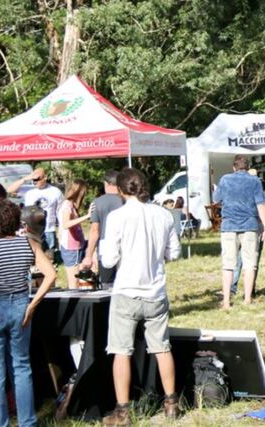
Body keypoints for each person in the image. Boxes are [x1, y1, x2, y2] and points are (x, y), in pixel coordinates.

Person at [99, 168, 181, 424]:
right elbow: (174, 253)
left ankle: (122, 411)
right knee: (162, 348)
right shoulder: (163, 214)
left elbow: (109, 259)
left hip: (126, 291)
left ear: (121, 191)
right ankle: (171, 404)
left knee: (121, 351)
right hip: (155, 290)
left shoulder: (117, 216)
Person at [0, 198, 55, 427]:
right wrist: (32, 305)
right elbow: (51, 275)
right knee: (21, 367)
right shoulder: (29, 244)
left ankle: (0, 424)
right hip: (20, 307)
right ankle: (28, 422)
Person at [214, 155, 265, 308]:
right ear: (247, 168)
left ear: (234, 167)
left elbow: (216, 199)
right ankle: (247, 299)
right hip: (250, 226)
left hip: (229, 226)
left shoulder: (225, 179)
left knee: (228, 265)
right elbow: (261, 205)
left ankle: (226, 301)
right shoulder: (255, 181)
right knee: (250, 264)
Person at [80, 170, 124, 288]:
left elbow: (95, 231)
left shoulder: (97, 202)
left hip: (105, 248)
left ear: (106, 184)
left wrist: (88, 255)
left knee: (107, 284)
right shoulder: (126, 200)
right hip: (125, 245)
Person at [9, 168, 64, 255]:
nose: (35, 181)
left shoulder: (55, 192)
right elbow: (10, 190)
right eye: (33, 179)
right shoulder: (28, 190)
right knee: (32, 255)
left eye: (38, 179)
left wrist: (61, 229)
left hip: (48, 230)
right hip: (30, 230)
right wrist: (25, 178)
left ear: (45, 177)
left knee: (49, 256)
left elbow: (60, 212)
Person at [58, 180, 91, 289]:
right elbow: (66, 224)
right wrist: (87, 216)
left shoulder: (69, 204)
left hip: (74, 246)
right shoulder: (67, 205)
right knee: (74, 282)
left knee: (78, 279)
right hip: (72, 248)